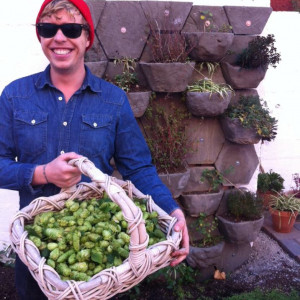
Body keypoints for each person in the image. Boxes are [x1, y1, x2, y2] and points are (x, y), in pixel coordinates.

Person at [0, 0, 189, 298]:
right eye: (49, 29)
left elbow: (138, 168)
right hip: (36, 251)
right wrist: (41, 173)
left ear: (88, 38)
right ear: (40, 37)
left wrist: (173, 211)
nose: (59, 38)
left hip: (97, 265)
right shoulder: (14, 95)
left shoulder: (113, 101)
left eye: (72, 29)